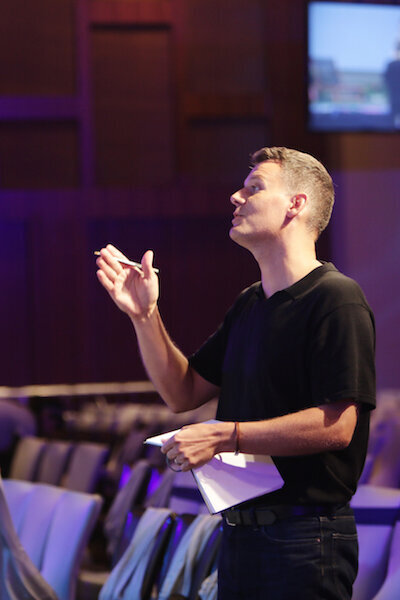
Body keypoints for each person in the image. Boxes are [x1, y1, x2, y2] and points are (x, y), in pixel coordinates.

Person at [96, 146, 375, 600]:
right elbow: (182, 392)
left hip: (306, 539)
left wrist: (225, 435)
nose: (235, 196)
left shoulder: (336, 298)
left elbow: (338, 424)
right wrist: (145, 316)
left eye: (254, 187)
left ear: (295, 205)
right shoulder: (250, 304)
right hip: (241, 534)